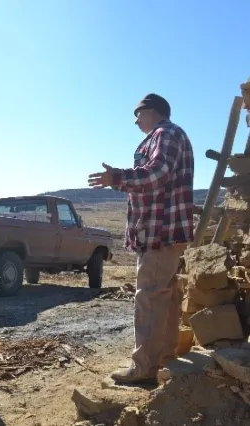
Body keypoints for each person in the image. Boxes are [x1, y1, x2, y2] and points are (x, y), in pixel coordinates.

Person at [88, 93, 194, 385]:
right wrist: (121, 180)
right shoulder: (166, 135)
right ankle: (164, 359)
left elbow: (156, 174)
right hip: (162, 231)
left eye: (139, 114)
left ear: (155, 111)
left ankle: (143, 368)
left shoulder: (166, 134)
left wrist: (118, 177)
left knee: (149, 297)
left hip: (159, 231)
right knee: (165, 296)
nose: (136, 120)